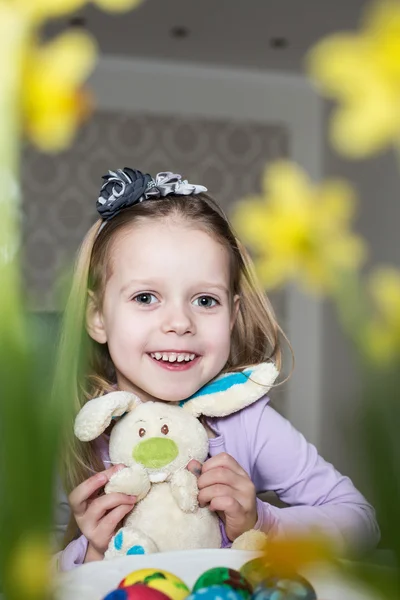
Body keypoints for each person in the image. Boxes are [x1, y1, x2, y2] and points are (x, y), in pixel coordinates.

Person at [55, 168, 380, 571]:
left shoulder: (249, 424)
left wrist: (264, 519)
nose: (180, 322)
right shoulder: (79, 435)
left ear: (231, 316)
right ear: (97, 316)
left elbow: (361, 521)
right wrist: (90, 552)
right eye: (145, 297)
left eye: (205, 301)